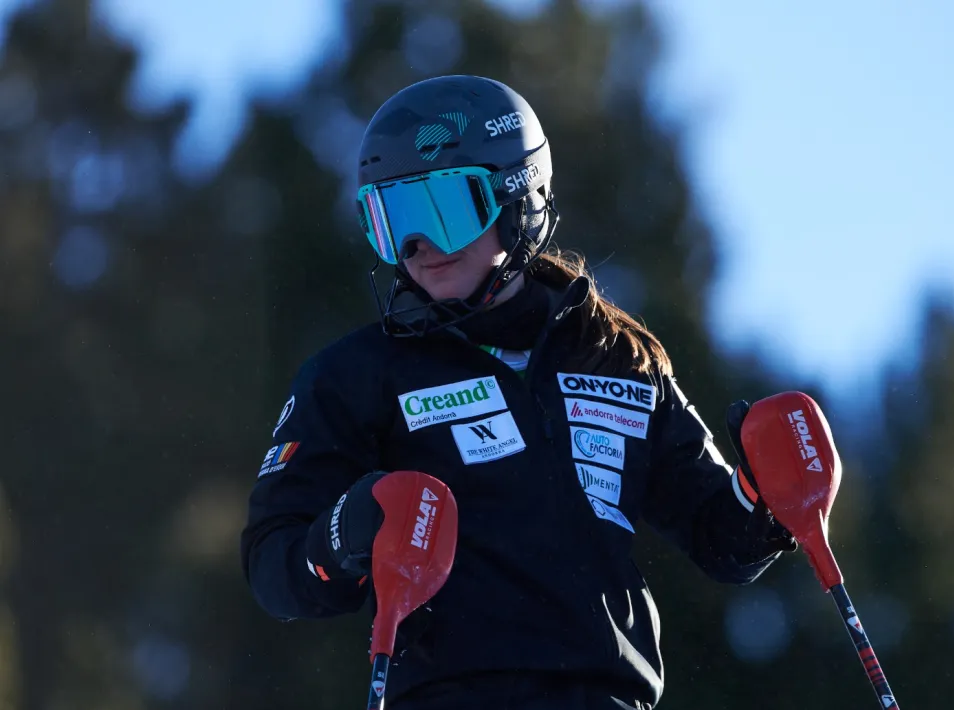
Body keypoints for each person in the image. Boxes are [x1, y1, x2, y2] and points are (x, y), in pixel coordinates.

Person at [240, 75, 797, 710]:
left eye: (443, 211)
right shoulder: (363, 372)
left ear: (518, 199)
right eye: (394, 222)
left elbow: (718, 538)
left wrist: (767, 498)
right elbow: (272, 562)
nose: (419, 248)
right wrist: (343, 534)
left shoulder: (616, 360)